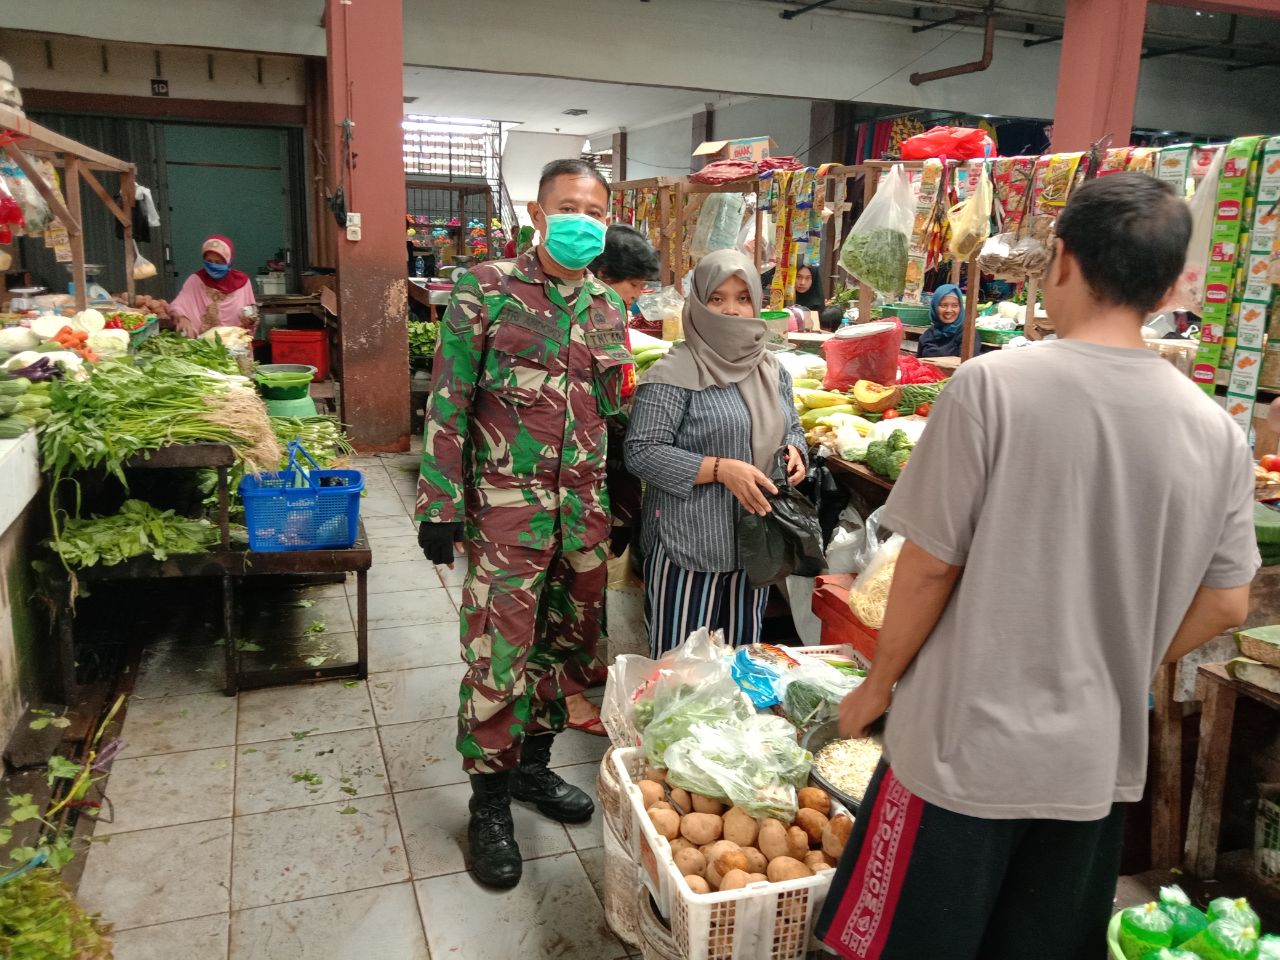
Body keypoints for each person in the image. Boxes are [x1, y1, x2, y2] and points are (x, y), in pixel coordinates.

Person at [819, 173, 1257, 960]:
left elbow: (926, 570)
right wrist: (1117, 656)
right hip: (1092, 764)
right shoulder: (1214, 430)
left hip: (960, 752)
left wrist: (877, 686)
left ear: (1060, 260)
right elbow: (1228, 605)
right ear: (1165, 287)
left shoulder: (995, 385)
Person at [415, 159, 629, 890]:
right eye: (568, 206)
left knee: (565, 652)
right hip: (509, 516)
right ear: (538, 213)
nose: (582, 220)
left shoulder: (607, 305)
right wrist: (439, 505)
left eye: (595, 210)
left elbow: (608, 416)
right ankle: (488, 805)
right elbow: (449, 399)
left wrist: (616, 503)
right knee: (498, 657)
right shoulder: (486, 288)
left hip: (583, 519)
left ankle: (533, 771)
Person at [625, 249, 807, 657]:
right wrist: (720, 469)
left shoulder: (772, 369)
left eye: (743, 298)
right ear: (699, 303)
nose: (732, 309)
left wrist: (796, 450)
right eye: (717, 298)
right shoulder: (673, 375)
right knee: (682, 670)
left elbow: (791, 424)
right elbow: (641, 452)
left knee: (741, 660)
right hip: (691, 544)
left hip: (756, 542)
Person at [543, 224, 662, 738]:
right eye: (634, 288)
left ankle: (579, 668)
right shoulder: (583, 319)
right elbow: (607, 407)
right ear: (606, 277)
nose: (637, 300)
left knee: (589, 581)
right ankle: (564, 693)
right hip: (568, 483)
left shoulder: (604, 316)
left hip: (595, 481)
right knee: (569, 587)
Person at [166, 235, 257, 339]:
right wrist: (182, 318)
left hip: (235, 345)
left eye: (219, 262)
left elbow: (251, 313)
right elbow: (178, 304)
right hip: (204, 348)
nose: (213, 266)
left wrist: (250, 321)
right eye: (209, 261)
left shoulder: (242, 282)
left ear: (229, 261)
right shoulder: (196, 280)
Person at [917, 283, 965, 358]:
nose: (949, 310)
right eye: (943, 305)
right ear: (934, 307)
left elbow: (967, 367)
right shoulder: (927, 335)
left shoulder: (966, 335)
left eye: (955, 306)